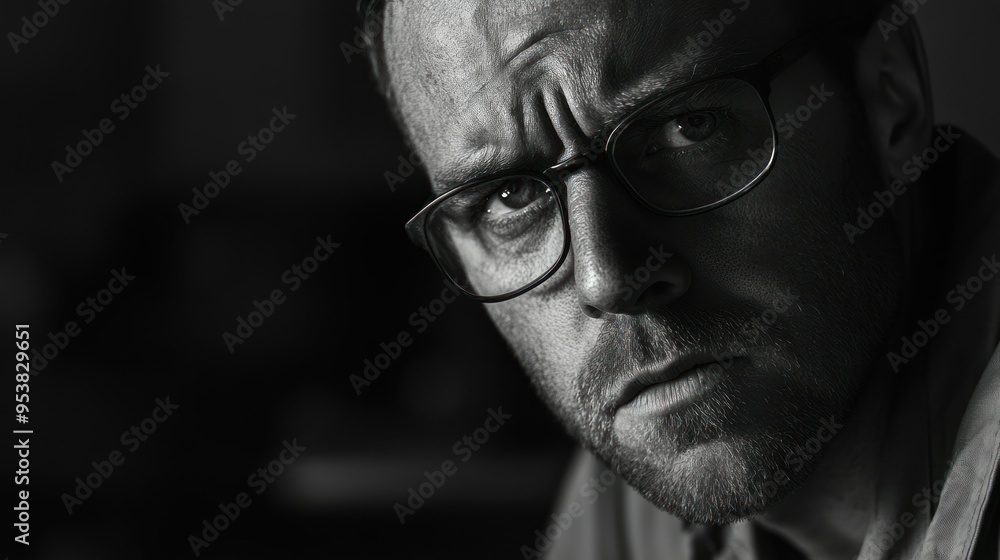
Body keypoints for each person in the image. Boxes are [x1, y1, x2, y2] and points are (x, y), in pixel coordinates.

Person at [361, 0, 1000, 557]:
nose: (607, 279)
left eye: (686, 127)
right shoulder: (636, 485)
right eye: (510, 196)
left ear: (890, 98)